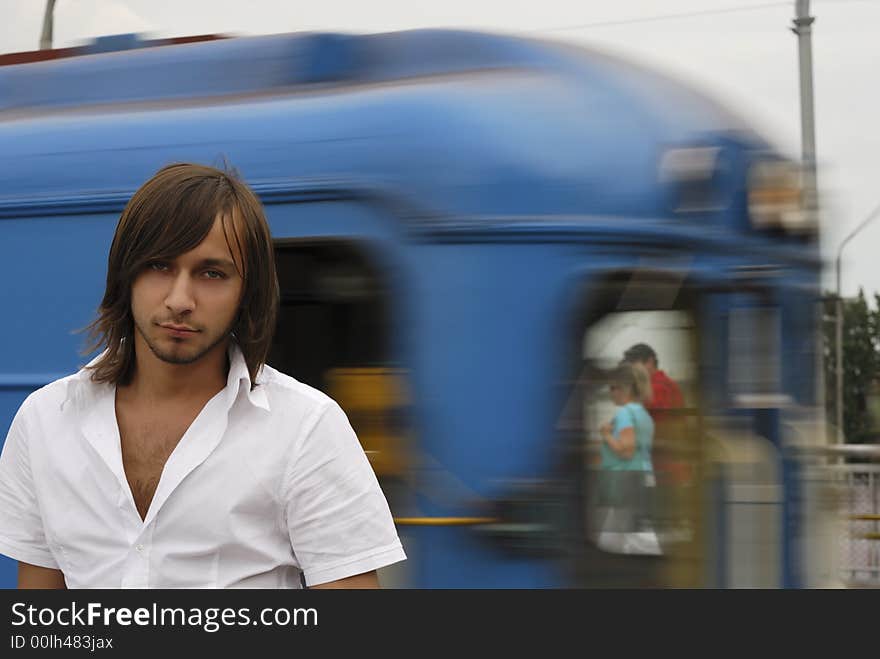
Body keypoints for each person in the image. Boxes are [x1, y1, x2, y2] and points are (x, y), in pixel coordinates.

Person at [0, 163, 406, 589]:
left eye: (212, 274)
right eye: (159, 266)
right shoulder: (44, 421)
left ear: (246, 293)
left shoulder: (307, 428)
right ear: (125, 275)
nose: (180, 300)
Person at [594, 362, 659, 555]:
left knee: (640, 539)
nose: (610, 392)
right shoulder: (644, 415)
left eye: (613, 387)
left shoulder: (624, 413)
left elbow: (627, 450)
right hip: (641, 478)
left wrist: (606, 435)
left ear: (625, 389)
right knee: (609, 540)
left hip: (627, 481)